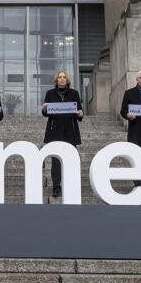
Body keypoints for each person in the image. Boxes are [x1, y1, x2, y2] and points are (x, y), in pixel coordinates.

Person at [41, 70, 83, 198]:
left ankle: (70, 185)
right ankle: (56, 187)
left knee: (71, 160)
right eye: (60, 77)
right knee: (56, 162)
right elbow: (46, 113)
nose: (62, 79)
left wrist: (81, 114)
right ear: (56, 80)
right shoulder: (50, 94)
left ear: (67, 80)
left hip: (70, 131)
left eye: (64, 77)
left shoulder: (74, 93)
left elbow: (79, 112)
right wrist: (44, 109)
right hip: (55, 132)